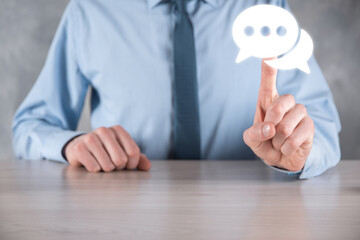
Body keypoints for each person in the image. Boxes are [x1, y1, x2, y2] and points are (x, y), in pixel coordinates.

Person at [12, 0, 341, 179]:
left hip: (250, 218)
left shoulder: (268, 10)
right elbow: (30, 125)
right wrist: (71, 145)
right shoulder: (89, 11)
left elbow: (322, 124)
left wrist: (299, 153)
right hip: (122, 218)